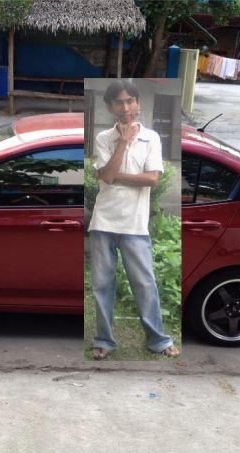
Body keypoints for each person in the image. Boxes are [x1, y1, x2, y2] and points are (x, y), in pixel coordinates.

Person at [89, 80, 179, 360]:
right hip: (103, 221)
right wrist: (123, 143)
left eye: (130, 101)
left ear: (138, 104)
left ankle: (158, 340)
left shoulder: (152, 138)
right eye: (119, 102)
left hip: (135, 224)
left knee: (144, 283)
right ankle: (104, 340)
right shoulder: (104, 138)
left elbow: (152, 179)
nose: (125, 107)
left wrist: (112, 175)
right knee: (102, 285)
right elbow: (106, 176)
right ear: (109, 107)